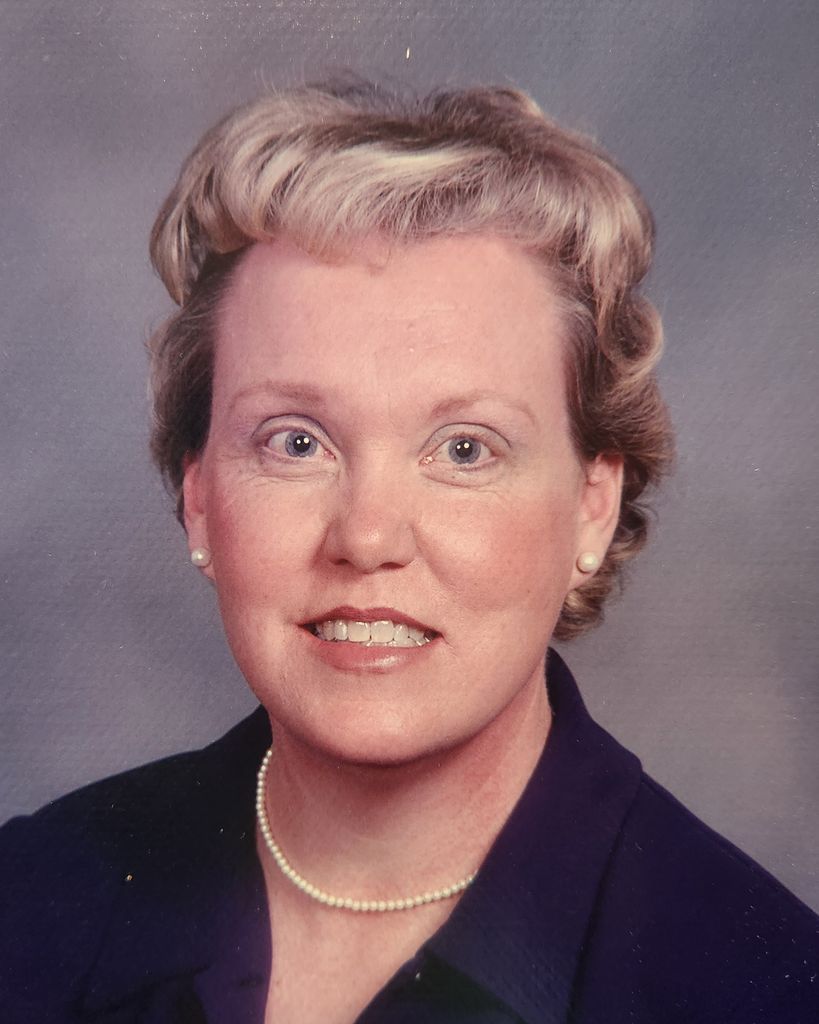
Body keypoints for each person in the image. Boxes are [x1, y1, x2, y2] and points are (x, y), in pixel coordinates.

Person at [1, 79, 817, 1024]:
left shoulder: (761, 990)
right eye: (295, 442)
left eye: (464, 449)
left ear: (592, 507)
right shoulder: (29, 902)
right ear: (198, 498)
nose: (367, 537)